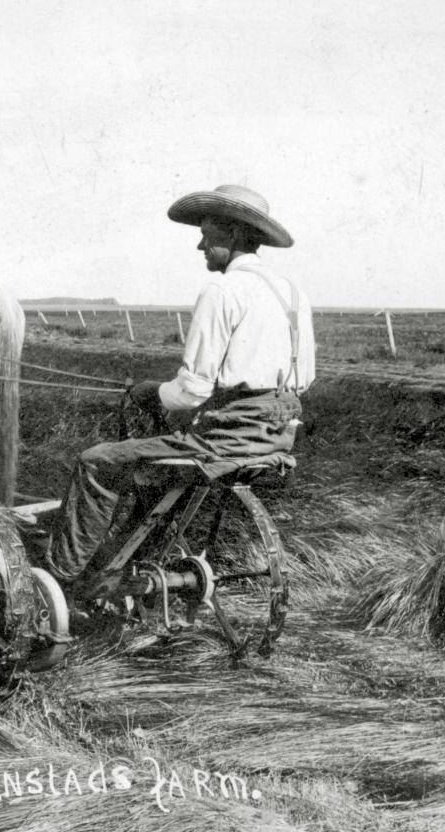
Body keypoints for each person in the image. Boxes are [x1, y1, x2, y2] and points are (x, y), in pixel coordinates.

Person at [47, 184, 316, 598]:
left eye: (208, 234)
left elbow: (191, 392)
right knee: (151, 462)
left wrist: (148, 391)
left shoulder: (222, 292)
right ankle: (130, 561)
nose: (200, 245)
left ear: (234, 235)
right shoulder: (293, 294)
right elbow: (306, 377)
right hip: (278, 436)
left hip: (225, 442)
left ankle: (59, 580)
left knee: (95, 463)